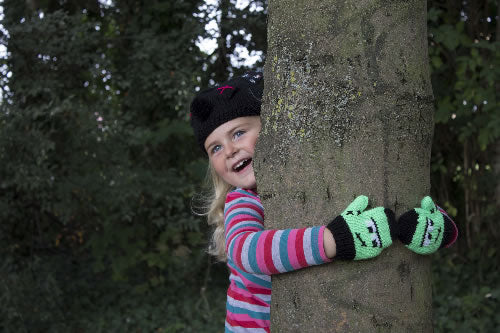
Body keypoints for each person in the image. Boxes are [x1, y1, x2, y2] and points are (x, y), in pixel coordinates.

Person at [190, 71, 458, 332]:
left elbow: (414, 209)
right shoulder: (242, 200)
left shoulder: (309, 181)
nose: (229, 150)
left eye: (238, 133)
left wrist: (437, 227)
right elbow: (246, 252)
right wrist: (333, 240)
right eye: (215, 148)